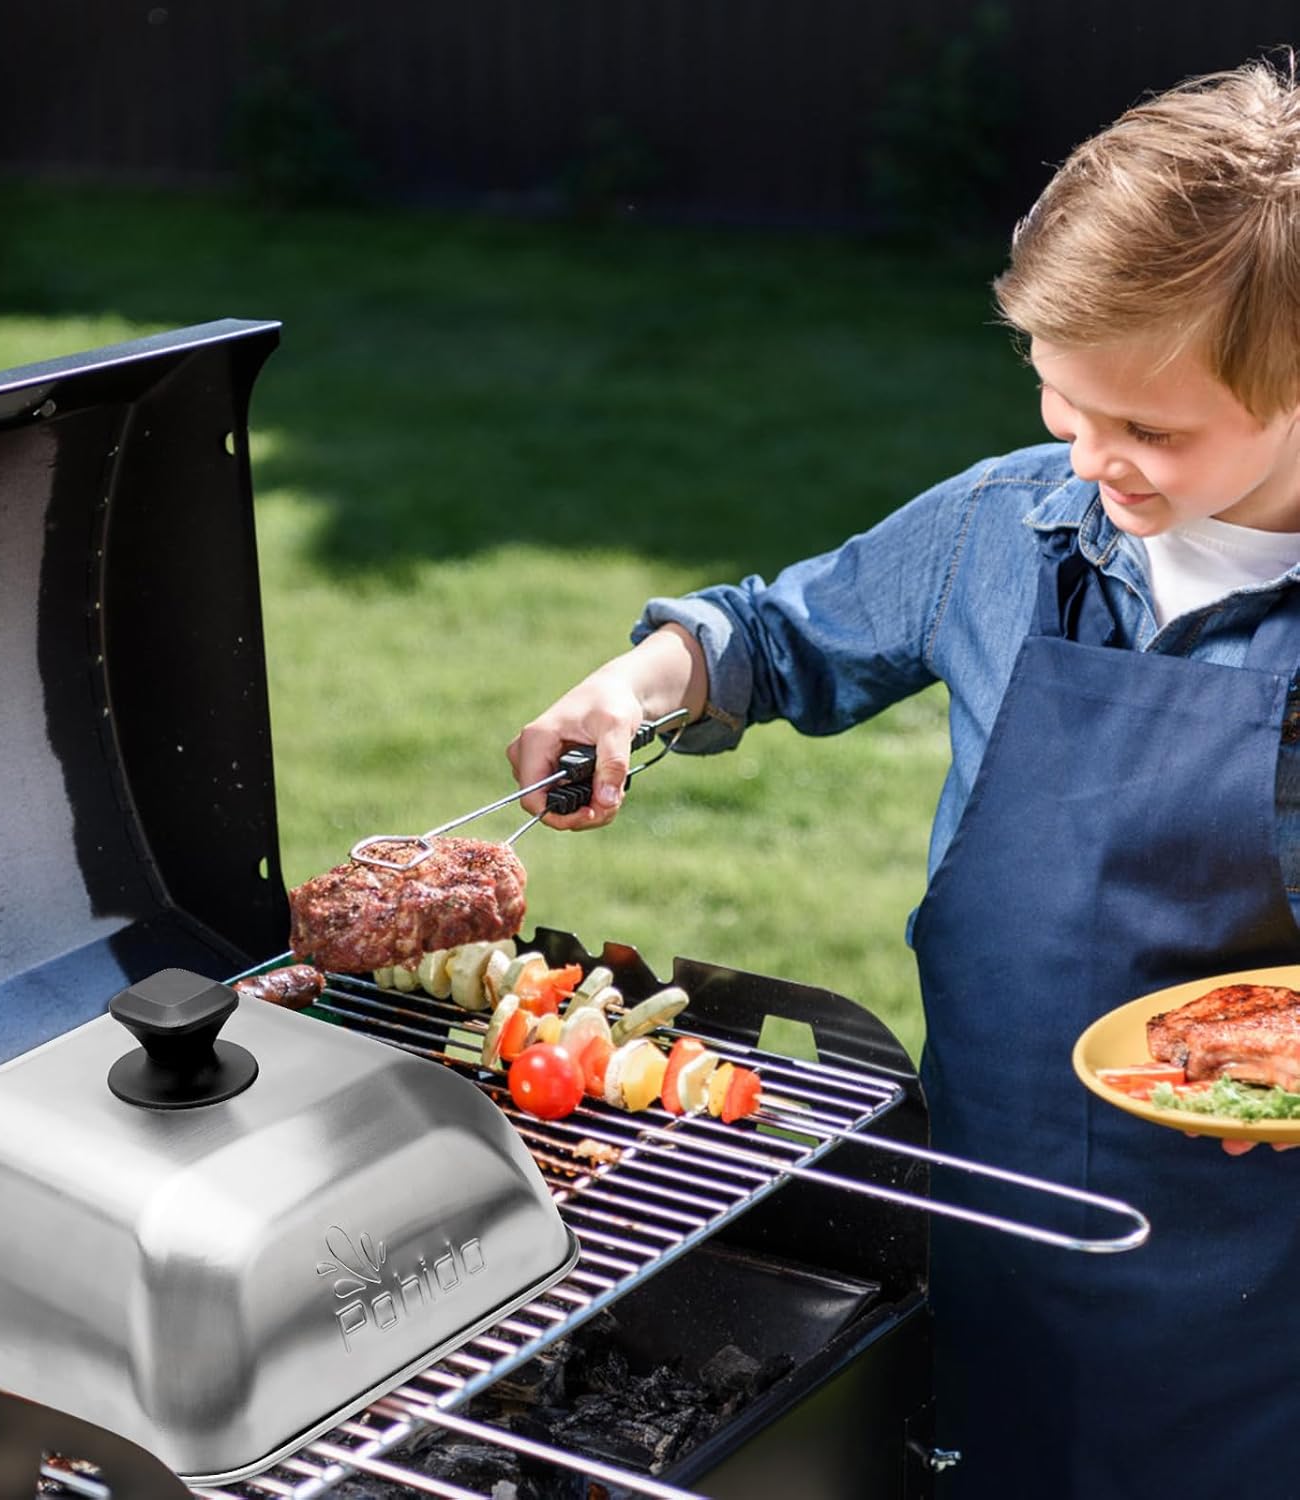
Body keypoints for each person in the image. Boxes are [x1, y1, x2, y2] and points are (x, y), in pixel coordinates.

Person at [507, 60, 1300, 1497]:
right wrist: (638, 687)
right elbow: (776, 634)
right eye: (1063, 397)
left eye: (1153, 432)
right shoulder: (1010, 528)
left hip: (1253, 1293)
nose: (1093, 458)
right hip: (988, 1204)